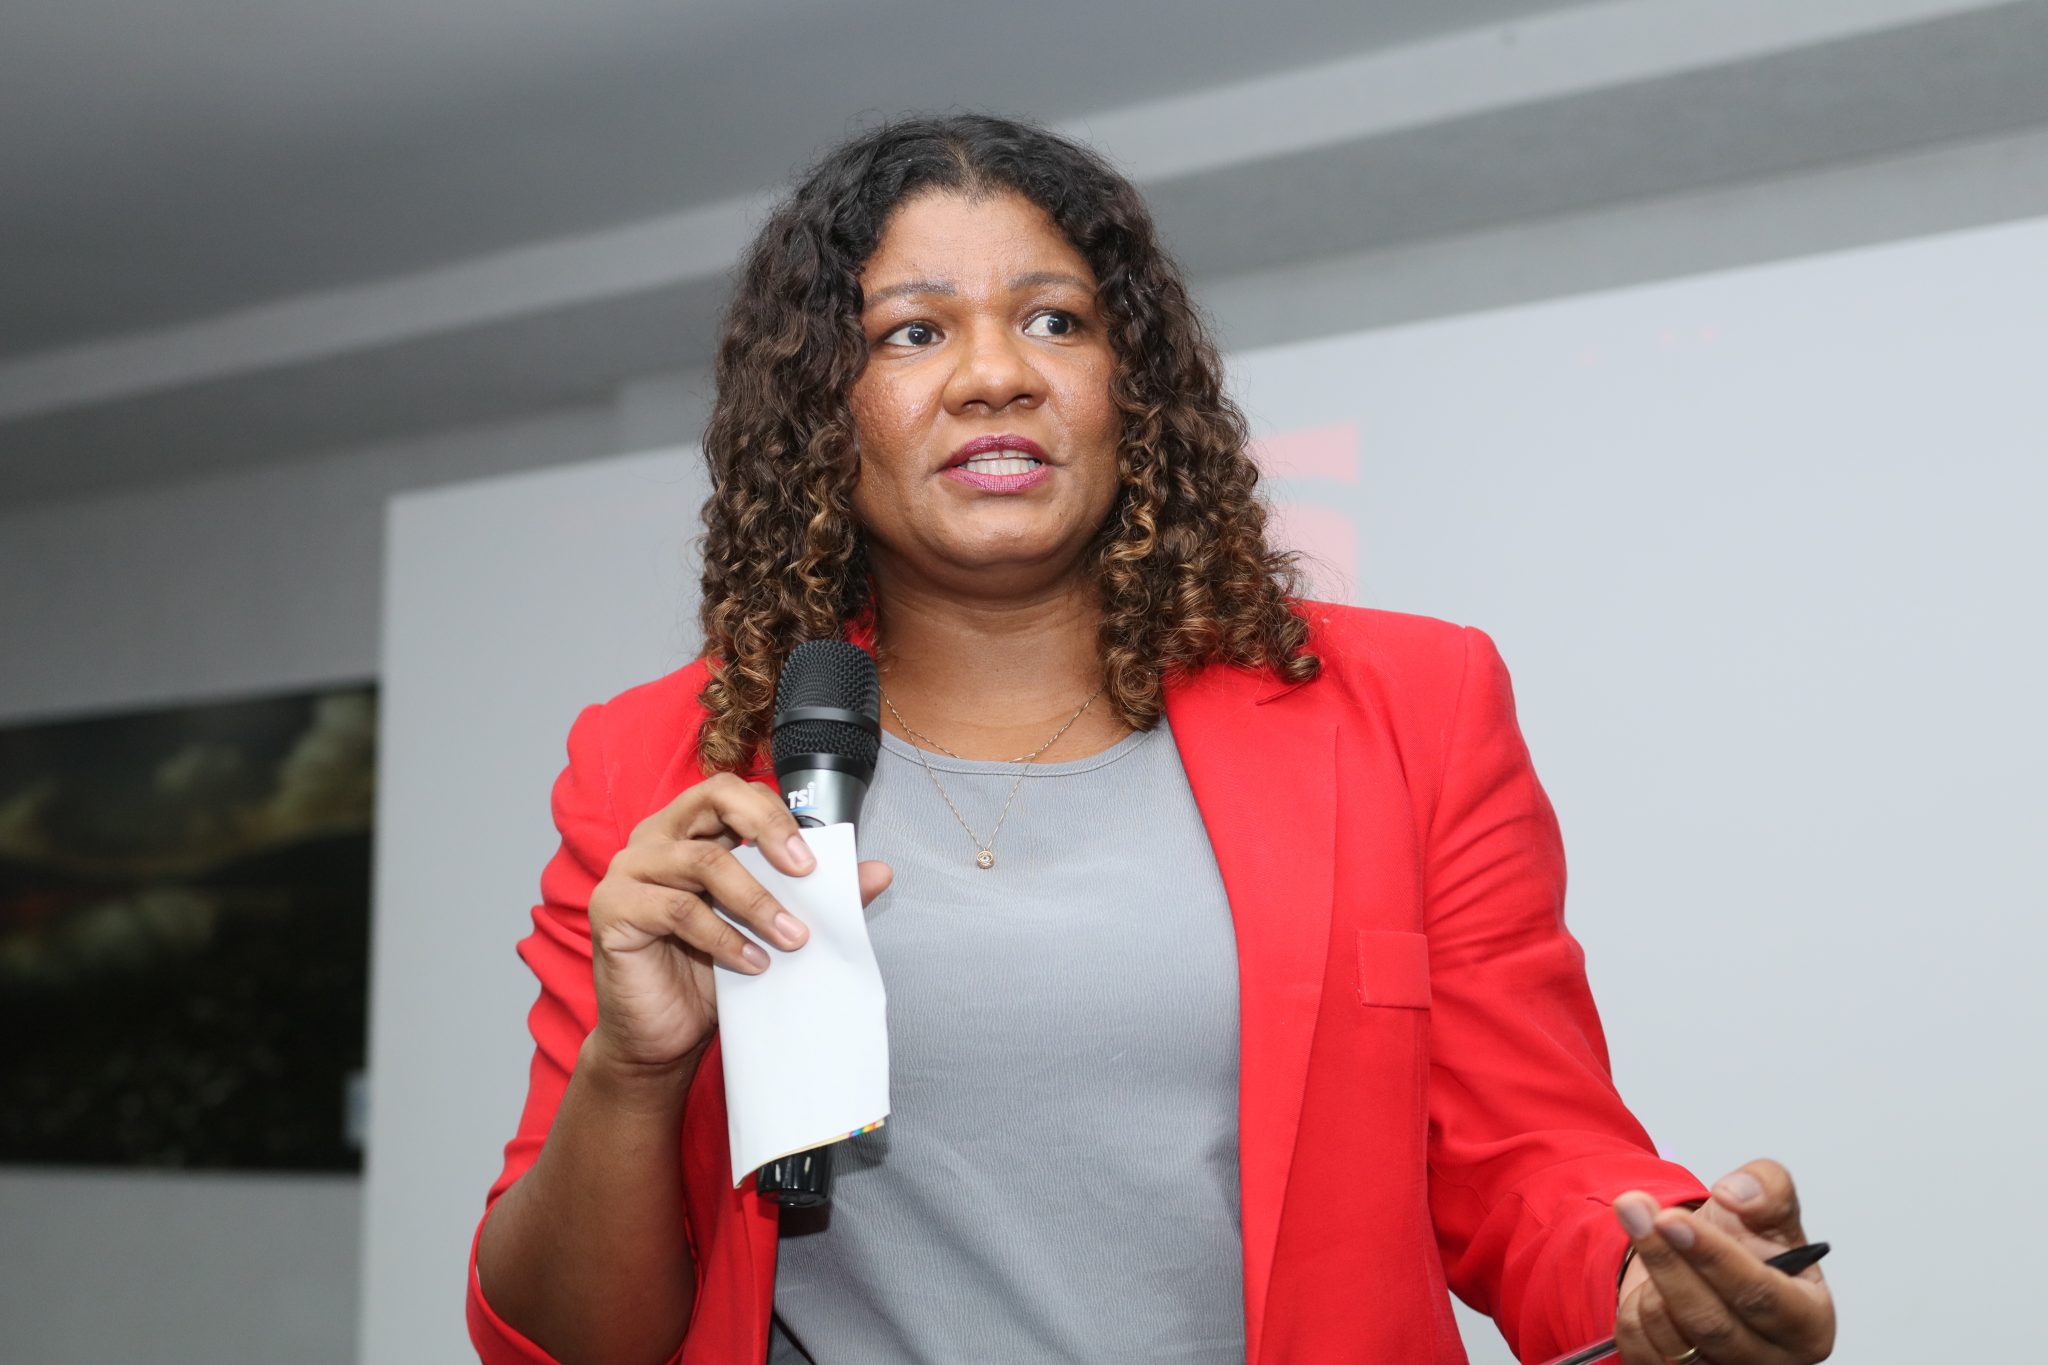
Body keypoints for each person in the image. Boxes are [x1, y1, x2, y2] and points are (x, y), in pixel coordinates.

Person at [466, 113, 1836, 1365]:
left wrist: (1658, 1272)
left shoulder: (1411, 708)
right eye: (913, 333)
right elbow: (562, 1338)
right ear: (821, 407)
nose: (996, 374)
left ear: (1135, 383)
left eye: (1054, 320)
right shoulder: (661, 766)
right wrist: (632, 1074)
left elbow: (1531, 1151)